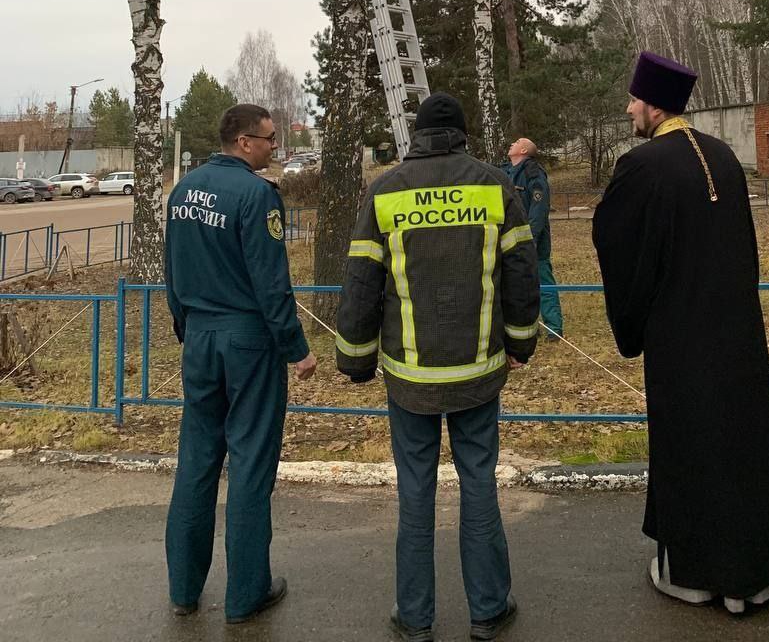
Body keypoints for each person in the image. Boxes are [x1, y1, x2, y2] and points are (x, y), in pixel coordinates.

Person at [592, 52, 769, 613]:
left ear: (654, 104)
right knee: (744, 443)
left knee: (691, 448)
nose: (628, 108)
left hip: (679, 338)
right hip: (737, 333)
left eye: (633, 100)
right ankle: (760, 574)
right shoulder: (725, 157)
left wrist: (633, 322)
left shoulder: (641, 166)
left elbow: (619, 245)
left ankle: (697, 575)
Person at [336, 92, 540, 642]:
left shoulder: (385, 192)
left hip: (410, 378)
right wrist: (523, 341)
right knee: (478, 487)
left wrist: (354, 358)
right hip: (478, 371)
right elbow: (522, 271)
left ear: (417, 135)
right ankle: (489, 610)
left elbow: (361, 282)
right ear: (462, 134)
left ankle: (415, 616)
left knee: (415, 492)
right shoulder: (495, 186)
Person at [163, 103, 317, 624]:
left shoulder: (182, 190)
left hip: (201, 338)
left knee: (197, 463)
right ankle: (245, 594)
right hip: (248, 341)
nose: (275, 147)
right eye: (270, 139)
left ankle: (184, 590)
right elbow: (272, 284)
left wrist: (187, 326)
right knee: (251, 465)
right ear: (245, 142)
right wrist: (297, 349)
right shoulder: (256, 196)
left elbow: (172, 268)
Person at [504, 137, 563, 340]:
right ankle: (529, 326)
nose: (511, 143)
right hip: (510, 241)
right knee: (519, 285)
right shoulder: (505, 172)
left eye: (516, 141)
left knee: (543, 281)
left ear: (522, 150)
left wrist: (530, 238)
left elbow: (539, 209)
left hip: (533, 241)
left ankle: (553, 327)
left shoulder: (533, 173)